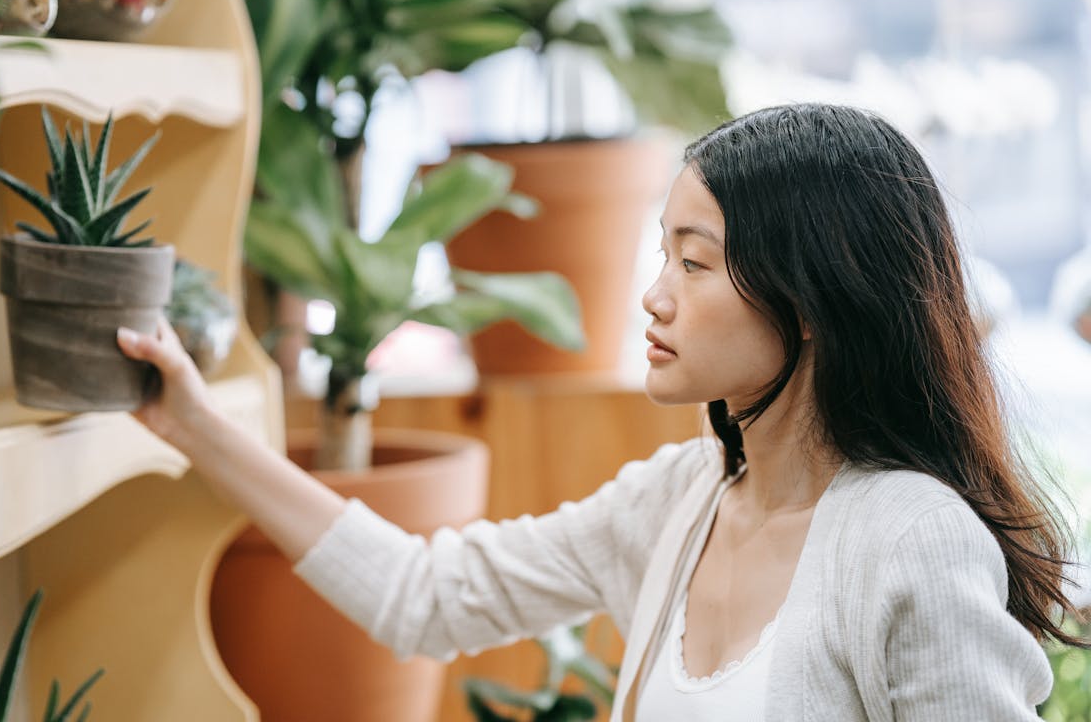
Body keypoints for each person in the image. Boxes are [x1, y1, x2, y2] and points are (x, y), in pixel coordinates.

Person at [117, 103, 1080, 720]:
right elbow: (427, 596)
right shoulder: (682, 499)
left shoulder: (912, 539)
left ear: (814, 302)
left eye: (693, 262)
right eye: (662, 253)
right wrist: (198, 427)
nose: (655, 295)